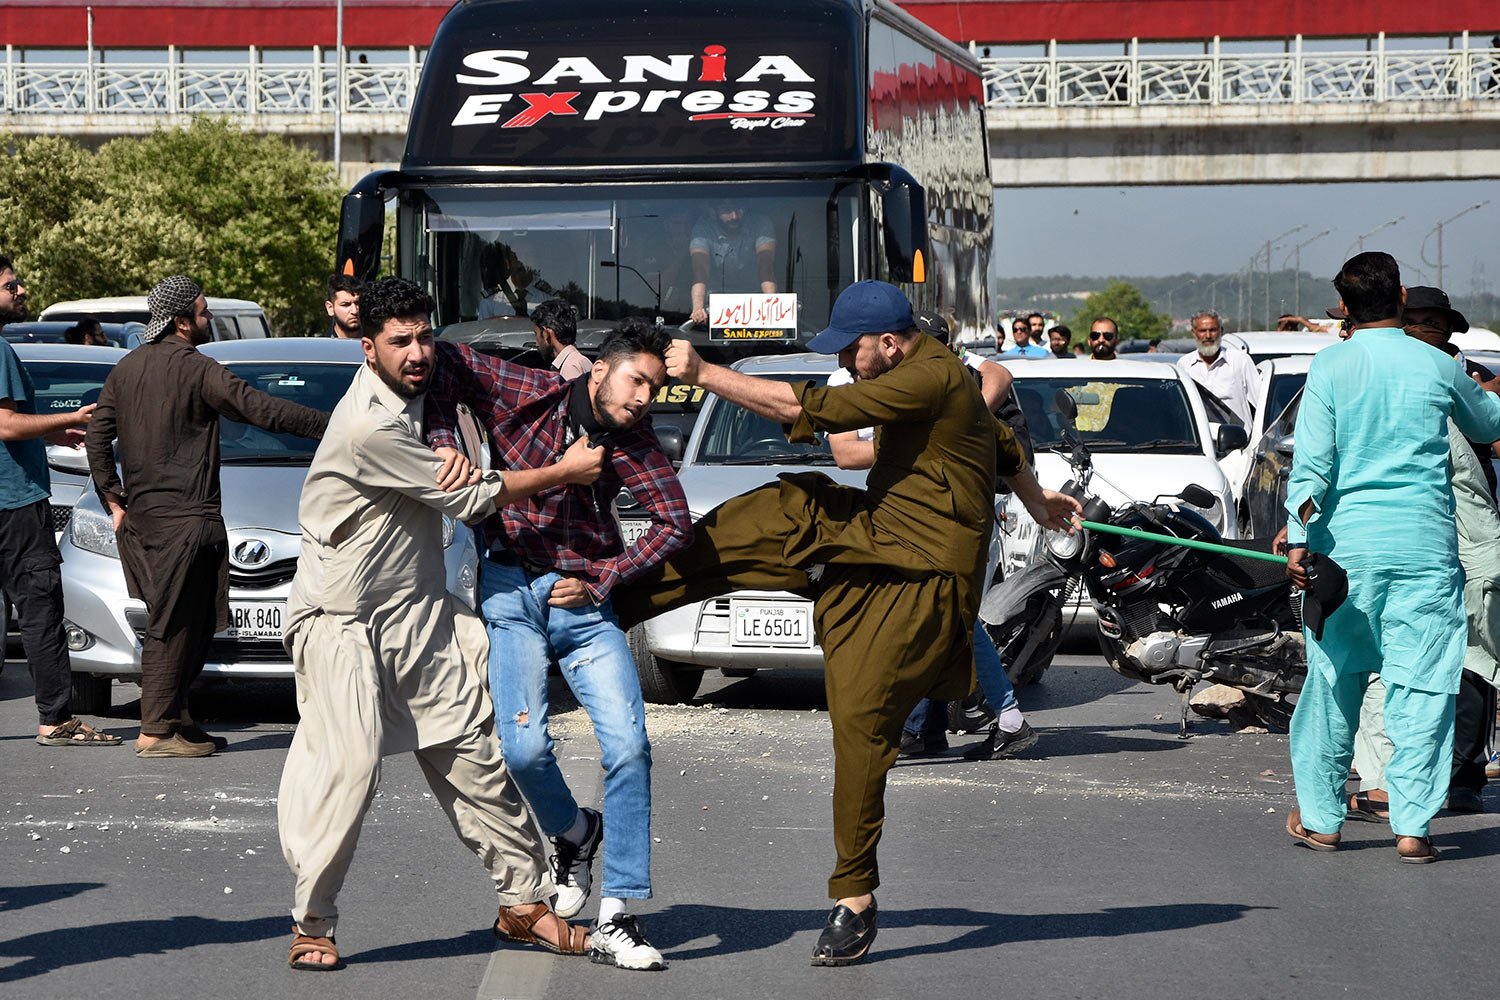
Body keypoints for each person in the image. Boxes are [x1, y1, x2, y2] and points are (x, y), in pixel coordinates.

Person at [612, 281, 1079, 966]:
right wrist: (1040, 507)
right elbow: (1005, 449)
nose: (847, 362)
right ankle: (608, 605)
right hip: (876, 535)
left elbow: (812, 411)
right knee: (777, 509)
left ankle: (855, 897)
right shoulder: (938, 385)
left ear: (890, 342)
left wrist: (708, 373)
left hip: (919, 582)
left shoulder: (927, 380)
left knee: (859, 720)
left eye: (852, 351)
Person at [277, 278, 599, 972]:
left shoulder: (429, 391)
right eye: (401, 341)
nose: (418, 351)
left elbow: (490, 394)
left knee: (473, 756)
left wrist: (453, 435)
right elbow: (474, 496)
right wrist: (564, 470)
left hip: (420, 614)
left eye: (425, 335)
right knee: (352, 766)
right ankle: (314, 920)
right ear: (368, 348)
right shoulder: (369, 424)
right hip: (343, 620)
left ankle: (525, 903)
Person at [424, 316, 692, 972]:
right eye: (636, 381)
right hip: (508, 592)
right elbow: (445, 363)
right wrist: (441, 440)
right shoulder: (524, 388)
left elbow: (673, 522)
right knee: (520, 749)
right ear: (599, 371)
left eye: (655, 389)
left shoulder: (636, 441)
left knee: (629, 746)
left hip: (583, 603)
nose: (643, 398)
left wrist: (605, 575)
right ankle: (574, 832)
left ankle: (619, 917)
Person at [1283, 253, 1500, 863]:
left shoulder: (1329, 366)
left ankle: (1324, 819)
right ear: (1402, 297)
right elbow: (1487, 425)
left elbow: (1313, 468)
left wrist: (1299, 544)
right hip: (1425, 551)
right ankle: (1412, 826)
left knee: (1332, 684)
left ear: (1346, 309)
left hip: (1344, 554)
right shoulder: (1437, 365)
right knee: (1425, 688)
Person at [85, 276, 328, 758]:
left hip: (147, 524)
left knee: (193, 624)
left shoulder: (125, 369)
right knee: (172, 624)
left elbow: (96, 439)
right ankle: (155, 730)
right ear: (180, 321)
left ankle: (178, 718)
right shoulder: (198, 370)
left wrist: (114, 500)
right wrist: (333, 425)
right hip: (187, 523)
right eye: (202, 311)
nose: (209, 318)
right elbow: (263, 411)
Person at [826, 310, 1038, 763]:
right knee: (941, 616)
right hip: (891, 515)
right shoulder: (846, 380)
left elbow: (997, 374)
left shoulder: (936, 375)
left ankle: (981, 720)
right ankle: (949, 723)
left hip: (941, 516)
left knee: (935, 614)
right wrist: (919, 437)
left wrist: (958, 421)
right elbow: (844, 454)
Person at [1350, 286, 1500, 818]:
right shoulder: (1380, 371)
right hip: (1410, 539)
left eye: (1424, 322)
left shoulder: (1463, 379)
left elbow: (1492, 432)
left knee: (1470, 660)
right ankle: (1388, 780)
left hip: (1469, 540)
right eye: (1406, 320)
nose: (1412, 330)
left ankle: (1461, 775)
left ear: (1445, 328)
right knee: (1389, 659)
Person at [0, 255, 117, 747]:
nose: (20, 290)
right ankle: (56, 719)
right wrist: (66, 420)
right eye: (10, 285)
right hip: (15, 505)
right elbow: (5, 425)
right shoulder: (1, 352)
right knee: (41, 607)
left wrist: (51, 426)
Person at [688, 201, 776, 325]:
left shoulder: (760, 223)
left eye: (739, 208)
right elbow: (700, 270)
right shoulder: (703, 229)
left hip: (756, 303)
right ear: (713, 212)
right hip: (715, 306)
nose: (734, 216)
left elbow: (766, 265)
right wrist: (698, 309)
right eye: (726, 210)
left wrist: (772, 306)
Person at [1176, 310, 1260, 426]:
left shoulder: (1240, 361)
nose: (1208, 336)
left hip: (1240, 441)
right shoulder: (1184, 365)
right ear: (1194, 333)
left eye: (1213, 330)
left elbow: (1260, 404)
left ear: (1221, 331)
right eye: (1202, 331)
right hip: (1202, 441)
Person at [531, 298, 591, 381]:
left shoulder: (570, 368)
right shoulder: (577, 361)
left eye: (536, 334)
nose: (536, 344)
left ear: (546, 334)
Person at [325, 274, 362, 339]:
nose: (354, 311)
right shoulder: (319, 347)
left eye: (358, 303)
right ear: (330, 308)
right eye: (345, 305)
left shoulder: (377, 344)